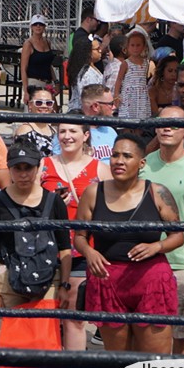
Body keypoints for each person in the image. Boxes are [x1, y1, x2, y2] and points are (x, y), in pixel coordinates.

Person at [74, 135, 182, 353]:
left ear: (141, 163)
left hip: (151, 280)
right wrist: (89, 252)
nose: (119, 161)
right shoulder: (94, 192)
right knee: (118, 362)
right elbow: (79, 235)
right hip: (108, 280)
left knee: (154, 364)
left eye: (127, 156)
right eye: (115, 155)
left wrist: (157, 247)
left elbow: (178, 235)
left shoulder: (157, 192)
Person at [41, 120, 110, 351]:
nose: (67, 136)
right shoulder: (43, 165)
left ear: (86, 136)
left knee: (73, 314)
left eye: (73, 131)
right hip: (46, 249)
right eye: (62, 131)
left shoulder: (100, 168)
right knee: (46, 312)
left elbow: (113, 208)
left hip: (81, 250)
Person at [141, 105, 184, 355]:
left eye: (175, 123)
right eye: (162, 122)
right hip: (144, 261)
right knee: (147, 334)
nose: (167, 127)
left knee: (182, 336)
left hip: (181, 265)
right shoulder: (142, 164)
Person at [0, 142, 71, 312]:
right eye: (17, 168)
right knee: (13, 335)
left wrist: (64, 285)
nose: (23, 174)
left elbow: (65, 247)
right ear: (9, 169)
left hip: (49, 279)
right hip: (9, 279)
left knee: (45, 336)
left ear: (37, 168)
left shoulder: (55, 202)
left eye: (28, 168)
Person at [114, 26, 152, 121]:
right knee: (128, 119)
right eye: (132, 45)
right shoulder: (126, 63)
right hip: (129, 95)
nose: (135, 48)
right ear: (127, 47)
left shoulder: (146, 62)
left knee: (141, 119)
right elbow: (119, 79)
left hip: (141, 95)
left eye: (138, 45)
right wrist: (116, 95)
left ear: (143, 46)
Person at [13, 87, 56, 156]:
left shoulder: (53, 130)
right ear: (30, 105)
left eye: (48, 103)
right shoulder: (25, 130)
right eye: (39, 103)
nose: (44, 106)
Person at [66, 33, 102, 112]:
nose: (100, 50)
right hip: (82, 113)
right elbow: (87, 98)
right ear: (88, 52)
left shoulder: (92, 68)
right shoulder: (86, 74)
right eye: (97, 49)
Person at [20, 14, 56, 92]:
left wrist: (56, 81)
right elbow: (23, 68)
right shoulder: (28, 44)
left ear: (44, 27)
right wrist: (26, 91)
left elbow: (49, 65)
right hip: (34, 82)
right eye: (35, 24)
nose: (38, 26)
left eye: (41, 24)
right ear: (31, 27)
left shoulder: (47, 42)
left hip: (48, 83)